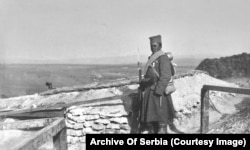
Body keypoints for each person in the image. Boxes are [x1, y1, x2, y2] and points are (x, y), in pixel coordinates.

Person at [139, 35, 182, 134]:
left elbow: (166, 76)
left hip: (159, 93)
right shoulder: (152, 58)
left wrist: (158, 91)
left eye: (154, 45)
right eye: (151, 45)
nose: (152, 47)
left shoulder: (163, 58)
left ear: (160, 45)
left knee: (161, 123)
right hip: (150, 92)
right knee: (152, 121)